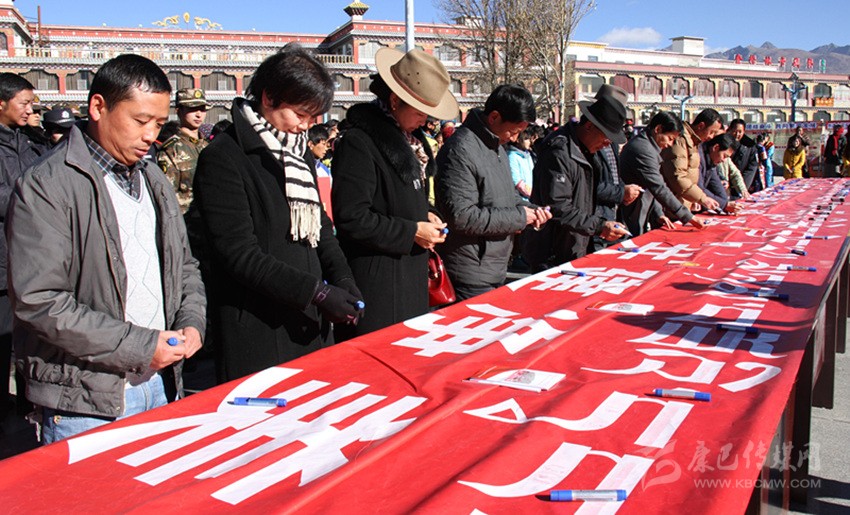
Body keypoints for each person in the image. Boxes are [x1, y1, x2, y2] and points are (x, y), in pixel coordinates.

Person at [6, 54, 206, 444]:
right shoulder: (47, 185)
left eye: (158, 123)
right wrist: (140, 346)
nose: (150, 135)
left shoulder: (153, 177)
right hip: (86, 401)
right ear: (98, 107)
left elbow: (184, 264)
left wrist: (192, 320)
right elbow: (39, 300)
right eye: (140, 121)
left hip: (162, 382)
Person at [193, 46, 362, 383]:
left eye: (314, 117)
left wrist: (343, 278)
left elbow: (319, 225)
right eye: (300, 114)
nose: (306, 126)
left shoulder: (298, 154)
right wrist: (316, 292)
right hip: (258, 327)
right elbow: (238, 253)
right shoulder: (224, 157)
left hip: (308, 320)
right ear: (268, 98)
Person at [332, 48, 454, 338]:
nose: (425, 121)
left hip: (411, 276)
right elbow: (352, 217)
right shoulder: (360, 143)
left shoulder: (411, 142)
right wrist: (411, 231)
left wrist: (428, 215)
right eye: (419, 112)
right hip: (379, 283)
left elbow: (406, 201)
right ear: (395, 101)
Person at [435, 84, 551, 301]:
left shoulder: (497, 146)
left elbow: (506, 197)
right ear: (494, 117)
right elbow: (462, 216)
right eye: (513, 131)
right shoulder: (460, 150)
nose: (515, 139)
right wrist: (519, 217)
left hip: (494, 267)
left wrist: (531, 210)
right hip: (470, 272)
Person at [526, 95, 631, 268]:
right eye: (606, 138)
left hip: (576, 243)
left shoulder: (587, 150)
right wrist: (599, 226)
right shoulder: (559, 152)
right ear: (589, 126)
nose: (607, 145)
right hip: (553, 249)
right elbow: (557, 206)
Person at [0, 73, 45, 419]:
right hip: (3, 265)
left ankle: (31, 405)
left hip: (33, 260)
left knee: (33, 339)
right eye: (24, 103)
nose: (31, 110)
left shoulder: (31, 142)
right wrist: (34, 197)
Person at [619, 111, 703, 236]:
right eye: (670, 138)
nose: (670, 144)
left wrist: (658, 213)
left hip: (640, 209)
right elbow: (658, 187)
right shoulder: (643, 149)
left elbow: (653, 185)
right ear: (658, 129)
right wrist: (687, 216)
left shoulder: (651, 147)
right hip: (629, 211)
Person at [591, 84, 641, 251]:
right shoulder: (588, 142)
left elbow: (614, 175)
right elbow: (590, 185)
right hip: (594, 220)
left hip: (611, 215)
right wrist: (621, 192)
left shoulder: (612, 142)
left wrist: (624, 191)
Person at [156, 88, 209, 214]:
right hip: (187, 220)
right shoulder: (171, 150)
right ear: (179, 111)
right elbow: (167, 196)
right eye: (192, 109)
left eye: (202, 109)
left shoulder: (209, 146)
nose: (198, 114)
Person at [660, 108, 723, 212]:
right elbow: (678, 176)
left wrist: (693, 200)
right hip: (671, 204)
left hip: (682, 203)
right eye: (711, 132)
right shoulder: (681, 139)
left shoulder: (694, 141)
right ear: (701, 126)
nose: (711, 137)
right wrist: (702, 198)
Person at [698, 133, 741, 214]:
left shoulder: (711, 162)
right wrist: (724, 204)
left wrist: (725, 203)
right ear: (716, 148)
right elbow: (699, 188)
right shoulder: (699, 156)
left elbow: (716, 184)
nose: (723, 160)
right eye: (724, 156)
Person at [307, 123, 333, 220]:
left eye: (327, 144)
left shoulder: (324, 170)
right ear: (311, 144)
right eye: (323, 144)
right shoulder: (301, 167)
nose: (326, 148)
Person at [728, 118, 760, 193]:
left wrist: (742, 186)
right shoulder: (723, 142)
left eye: (740, 132)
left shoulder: (750, 145)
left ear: (744, 131)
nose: (737, 134)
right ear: (730, 130)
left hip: (741, 184)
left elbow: (752, 167)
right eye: (735, 131)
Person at [507, 126, 535, 201]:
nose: (529, 142)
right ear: (518, 140)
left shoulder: (528, 156)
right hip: (520, 199)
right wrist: (532, 194)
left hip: (531, 198)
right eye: (526, 139)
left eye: (529, 139)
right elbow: (516, 181)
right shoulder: (512, 156)